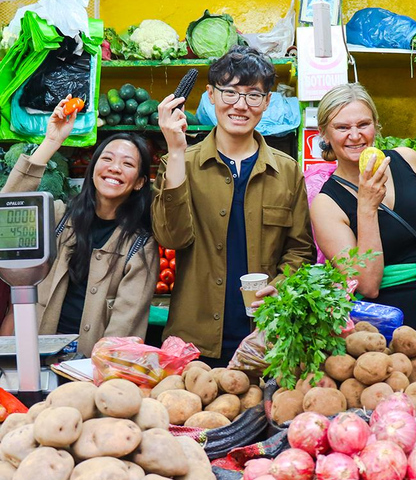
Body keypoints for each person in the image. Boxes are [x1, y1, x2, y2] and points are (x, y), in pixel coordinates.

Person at [153, 46, 315, 366]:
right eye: (229, 92)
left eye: (253, 95)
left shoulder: (287, 171)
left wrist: (280, 287)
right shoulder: (179, 163)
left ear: (267, 102)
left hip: (267, 338)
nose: (240, 105)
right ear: (211, 95)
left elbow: (300, 251)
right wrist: (175, 151)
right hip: (193, 343)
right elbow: (171, 238)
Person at [0, 97, 159, 357]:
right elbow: (8, 209)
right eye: (107, 159)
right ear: (93, 168)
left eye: (128, 164)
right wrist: (52, 142)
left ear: (140, 182)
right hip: (36, 358)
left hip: (90, 367)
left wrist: (96, 371)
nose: (115, 168)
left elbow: (124, 326)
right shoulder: (58, 217)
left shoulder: (140, 245)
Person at [311, 83, 416, 338]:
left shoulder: (409, 160)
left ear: (376, 125)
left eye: (363, 124)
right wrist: (367, 207)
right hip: (386, 328)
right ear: (325, 134)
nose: (355, 135)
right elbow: (367, 285)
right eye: (342, 128)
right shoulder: (326, 205)